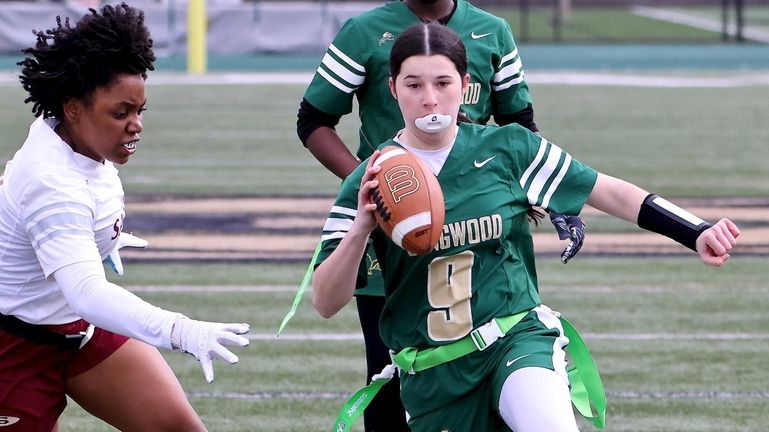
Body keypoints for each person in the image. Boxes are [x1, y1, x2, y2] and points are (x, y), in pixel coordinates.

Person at [312, 22, 740, 432]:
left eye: (443, 83)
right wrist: (361, 228)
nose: (430, 99)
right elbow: (326, 302)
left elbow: (607, 192)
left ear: (465, 85)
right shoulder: (369, 180)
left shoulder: (509, 147)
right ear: (392, 90)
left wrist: (695, 230)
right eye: (414, 85)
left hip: (515, 339)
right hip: (434, 372)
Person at [297, 1, 584, 428]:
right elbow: (313, 120)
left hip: (472, 227)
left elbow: (519, 122)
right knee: (394, 371)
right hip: (391, 247)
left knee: (503, 373)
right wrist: (382, 193)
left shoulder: (493, 31)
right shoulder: (364, 32)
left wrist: (545, 193)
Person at [0, 4, 249, 431]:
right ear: (74, 107)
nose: (136, 125)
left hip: (77, 330)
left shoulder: (75, 136)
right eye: (121, 113)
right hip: (14, 343)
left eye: (140, 111)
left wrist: (101, 238)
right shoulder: (51, 182)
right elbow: (88, 295)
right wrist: (179, 329)